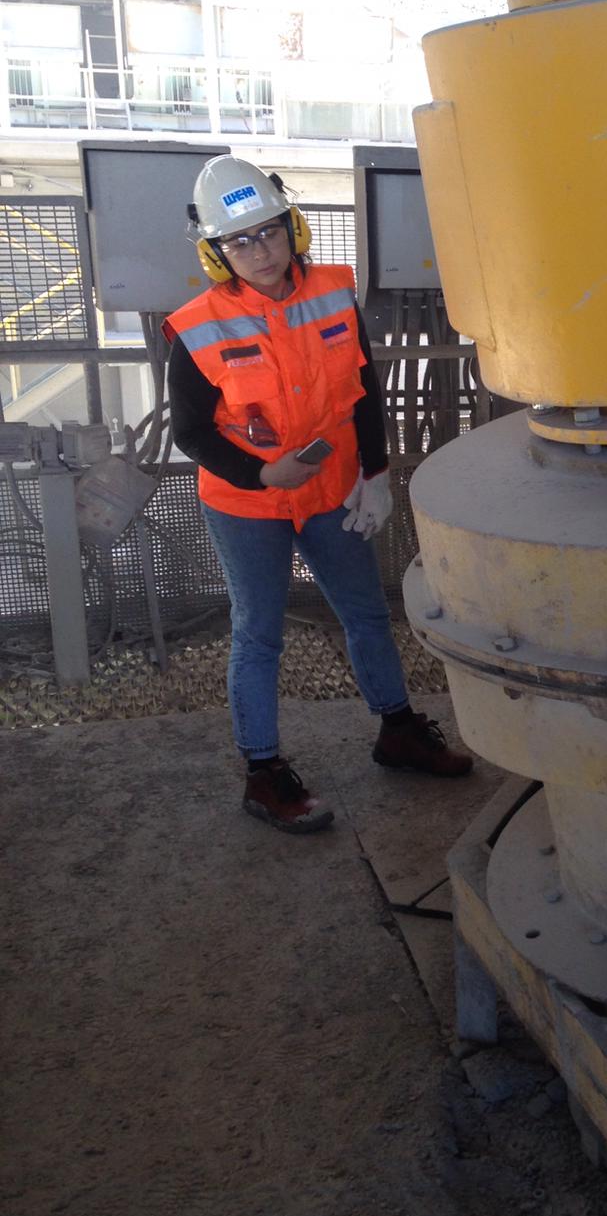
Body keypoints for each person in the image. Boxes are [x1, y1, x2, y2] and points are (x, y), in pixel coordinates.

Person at [165, 154, 471, 834]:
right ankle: (264, 773)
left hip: (334, 491)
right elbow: (190, 431)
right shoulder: (194, 326)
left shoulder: (335, 291)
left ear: (293, 226)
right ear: (216, 254)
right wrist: (260, 475)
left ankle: (398, 732)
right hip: (248, 507)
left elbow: (364, 393)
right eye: (238, 242)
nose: (260, 251)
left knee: (365, 613)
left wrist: (376, 473)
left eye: (269, 232)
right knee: (259, 633)